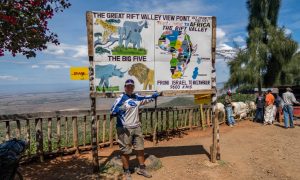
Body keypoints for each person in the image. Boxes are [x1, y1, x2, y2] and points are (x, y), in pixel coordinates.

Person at [111, 79, 159, 179]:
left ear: (133, 87)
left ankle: (142, 168)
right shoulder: (121, 98)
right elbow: (112, 111)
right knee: (125, 151)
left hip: (136, 127)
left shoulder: (136, 97)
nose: (129, 88)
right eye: (128, 86)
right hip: (124, 128)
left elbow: (146, 98)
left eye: (131, 86)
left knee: (140, 148)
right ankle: (127, 171)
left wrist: (154, 95)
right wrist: (118, 110)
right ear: (125, 87)